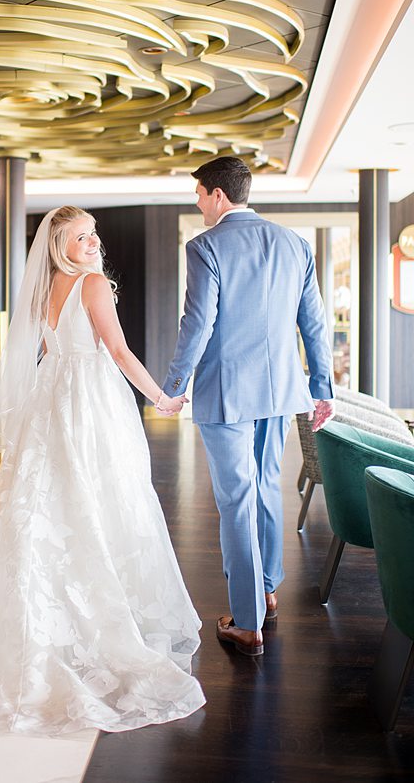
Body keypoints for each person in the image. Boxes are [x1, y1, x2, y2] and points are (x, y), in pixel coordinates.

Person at [0, 206, 205, 735]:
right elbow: (118, 350)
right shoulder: (93, 283)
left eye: (93, 233)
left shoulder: (46, 286)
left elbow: (44, 350)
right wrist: (161, 398)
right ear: (60, 244)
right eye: (80, 237)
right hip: (92, 402)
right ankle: (99, 612)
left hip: (53, 397)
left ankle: (35, 608)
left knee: (43, 500)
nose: (92, 242)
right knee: (103, 496)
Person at [158, 156, 334, 657]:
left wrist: (174, 383)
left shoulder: (205, 246)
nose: (197, 203)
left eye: (198, 194)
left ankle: (247, 620)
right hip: (281, 391)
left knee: (237, 500)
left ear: (217, 195)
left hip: (228, 392)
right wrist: (322, 387)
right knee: (264, 486)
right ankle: (268, 589)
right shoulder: (295, 244)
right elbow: (314, 325)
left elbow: (198, 324)